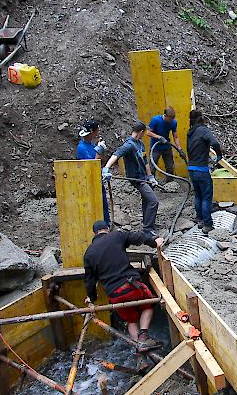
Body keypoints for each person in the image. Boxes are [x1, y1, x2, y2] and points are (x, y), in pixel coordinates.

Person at [83, 220, 164, 371]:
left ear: (94, 233)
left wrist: (91, 298)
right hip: (131, 285)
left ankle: (140, 355)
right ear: (107, 229)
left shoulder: (89, 253)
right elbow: (138, 237)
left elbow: (89, 280)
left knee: (131, 320)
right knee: (149, 305)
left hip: (115, 295)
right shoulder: (117, 236)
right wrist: (155, 241)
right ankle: (144, 337)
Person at [102, 122, 159, 238]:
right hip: (137, 179)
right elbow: (116, 155)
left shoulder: (140, 144)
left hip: (144, 177)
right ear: (141, 132)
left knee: (147, 200)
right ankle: (147, 229)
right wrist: (106, 168)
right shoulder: (129, 145)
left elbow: (145, 161)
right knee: (153, 201)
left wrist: (150, 176)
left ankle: (147, 223)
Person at [187, 110, 222, 234]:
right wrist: (219, 155)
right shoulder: (203, 130)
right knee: (206, 197)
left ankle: (199, 218)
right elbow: (215, 143)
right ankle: (207, 224)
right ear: (201, 118)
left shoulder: (190, 132)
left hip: (191, 169)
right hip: (201, 169)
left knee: (198, 195)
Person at [77, 120, 110, 226]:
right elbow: (92, 164)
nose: (98, 132)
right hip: (89, 181)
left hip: (97, 178)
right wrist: (99, 150)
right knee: (96, 204)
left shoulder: (90, 144)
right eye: (97, 130)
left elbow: (100, 162)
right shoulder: (81, 148)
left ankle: (106, 225)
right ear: (92, 132)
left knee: (103, 204)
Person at [146, 107, 187, 181]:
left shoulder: (173, 122)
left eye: (172, 119)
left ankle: (170, 183)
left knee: (170, 166)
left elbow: (175, 137)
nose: (171, 121)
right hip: (156, 148)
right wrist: (159, 137)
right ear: (165, 115)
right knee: (152, 166)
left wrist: (179, 149)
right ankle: (151, 183)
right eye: (170, 119)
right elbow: (148, 133)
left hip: (167, 147)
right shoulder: (156, 120)